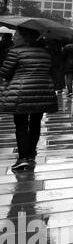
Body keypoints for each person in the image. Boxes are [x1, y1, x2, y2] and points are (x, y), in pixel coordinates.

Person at [0, 28, 58, 172]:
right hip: (42, 91)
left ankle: (22, 158)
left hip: (21, 92)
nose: (14, 38)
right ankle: (31, 154)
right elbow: (51, 70)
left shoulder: (15, 52)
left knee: (20, 124)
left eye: (16, 35)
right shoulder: (46, 53)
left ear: (25, 37)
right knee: (35, 123)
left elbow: (5, 72)